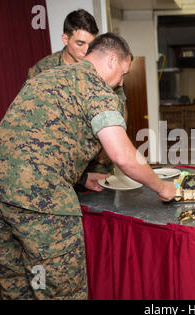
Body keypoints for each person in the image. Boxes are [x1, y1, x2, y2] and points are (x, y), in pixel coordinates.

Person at [0, 33, 176, 300]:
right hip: (39, 202)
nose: (121, 82)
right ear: (112, 60)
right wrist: (161, 187)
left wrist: (82, 176)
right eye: (123, 73)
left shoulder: (44, 77)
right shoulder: (97, 89)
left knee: (17, 287)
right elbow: (122, 156)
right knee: (60, 293)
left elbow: (35, 138)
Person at [27, 9, 126, 190]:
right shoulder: (43, 70)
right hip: (57, 164)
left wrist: (108, 148)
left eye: (91, 43)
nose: (86, 50)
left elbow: (119, 110)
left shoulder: (102, 68)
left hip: (97, 160)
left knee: (103, 214)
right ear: (65, 39)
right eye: (80, 43)